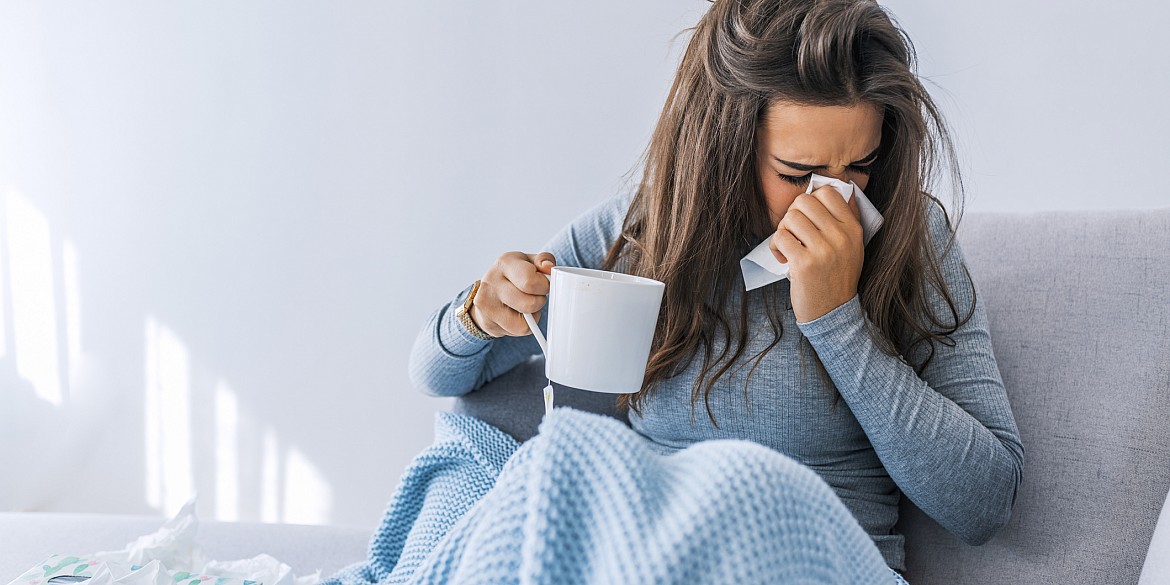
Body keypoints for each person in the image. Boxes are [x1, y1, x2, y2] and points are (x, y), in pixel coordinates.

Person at [408, 0, 1024, 581]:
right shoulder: (643, 236)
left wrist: (839, 321)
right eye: (797, 174)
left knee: (736, 479)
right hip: (654, 557)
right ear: (724, 151)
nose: (835, 201)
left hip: (815, 560)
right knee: (479, 461)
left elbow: (985, 504)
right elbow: (438, 376)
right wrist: (479, 313)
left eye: (860, 165)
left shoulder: (914, 239)